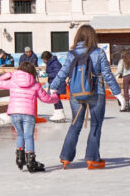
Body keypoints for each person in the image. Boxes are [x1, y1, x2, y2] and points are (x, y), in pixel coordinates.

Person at [49, 25, 125, 169]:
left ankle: (65, 157)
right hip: (96, 93)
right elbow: (107, 75)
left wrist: (53, 86)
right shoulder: (99, 52)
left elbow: (63, 71)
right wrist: (118, 94)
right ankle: (92, 158)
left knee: (75, 124)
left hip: (76, 94)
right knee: (96, 125)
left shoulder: (71, 54)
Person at [0, 62, 60, 172]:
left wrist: (9, 74)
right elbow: (46, 99)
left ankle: (20, 158)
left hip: (14, 113)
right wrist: (55, 97)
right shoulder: (35, 84)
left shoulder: (13, 81)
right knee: (29, 136)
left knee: (20, 134)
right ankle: (31, 161)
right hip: (28, 114)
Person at [41, 51, 66, 122]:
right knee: (55, 99)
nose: (43, 61)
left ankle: (60, 113)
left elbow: (57, 74)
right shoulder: (50, 63)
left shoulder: (55, 63)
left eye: (44, 59)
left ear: (47, 58)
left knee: (56, 98)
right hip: (53, 83)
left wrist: (47, 75)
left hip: (57, 84)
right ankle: (57, 112)